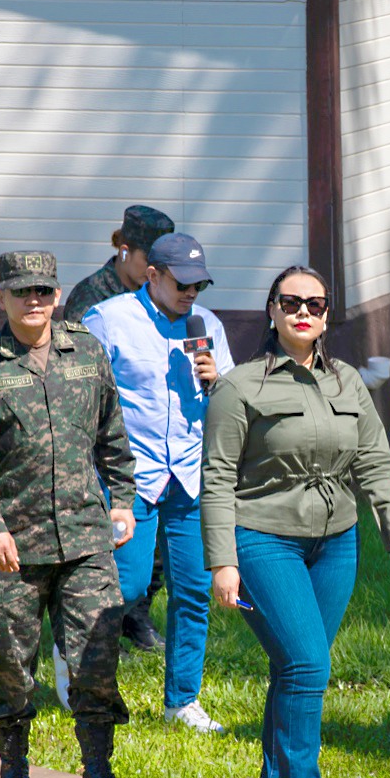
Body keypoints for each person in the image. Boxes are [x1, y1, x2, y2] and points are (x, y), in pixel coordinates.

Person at [203, 265, 390, 778]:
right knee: (307, 665)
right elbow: (217, 477)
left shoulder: (346, 382)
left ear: (327, 315)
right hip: (263, 538)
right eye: (291, 302)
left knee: (296, 669)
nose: (304, 312)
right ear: (271, 310)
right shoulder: (239, 387)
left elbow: (375, 462)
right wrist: (223, 561)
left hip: (336, 542)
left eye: (316, 304)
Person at [0, 249, 142, 778]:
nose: (33, 301)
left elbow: (112, 432)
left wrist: (122, 499)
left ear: (57, 296)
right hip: (12, 546)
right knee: (12, 664)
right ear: (1, 297)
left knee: (97, 660)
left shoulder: (86, 351)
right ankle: (14, 775)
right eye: (22, 291)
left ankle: (99, 777)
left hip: (85, 538)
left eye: (43, 291)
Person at [84, 232, 234, 734]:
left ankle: (182, 701)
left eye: (199, 285)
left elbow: (231, 406)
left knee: (193, 589)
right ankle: (82, 672)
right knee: (124, 587)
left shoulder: (206, 326)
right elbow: (83, 397)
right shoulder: (108, 320)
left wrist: (217, 381)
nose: (191, 294)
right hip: (130, 476)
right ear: (152, 275)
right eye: (181, 283)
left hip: (189, 476)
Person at [63, 203, 175, 655]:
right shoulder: (92, 298)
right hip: (108, 446)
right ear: (125, 251)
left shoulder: (163, 297)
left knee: (155, 549)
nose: (154, 271)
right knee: (114, 543)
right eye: (148, 260)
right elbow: (75, 374)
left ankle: (138, 615)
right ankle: (98, 623)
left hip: (158, 445)